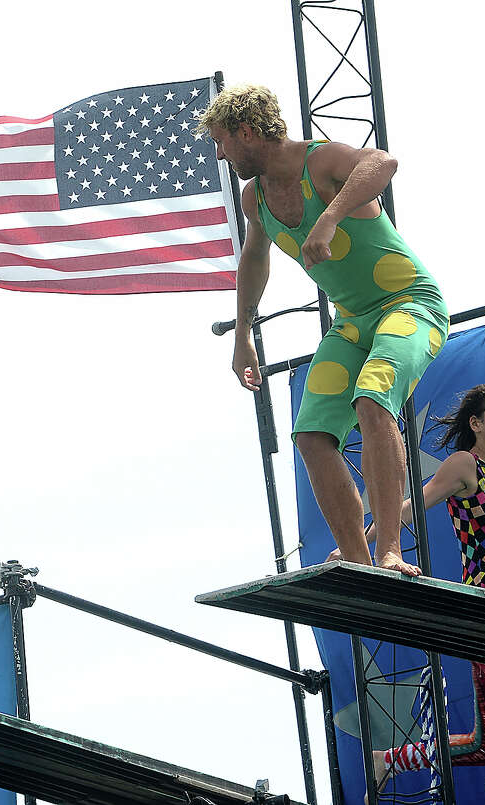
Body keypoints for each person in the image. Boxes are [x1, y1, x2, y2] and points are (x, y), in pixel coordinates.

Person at [198, 84, 448, 575]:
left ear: (247, 131)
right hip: (354, 322)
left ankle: (390, 551)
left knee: (373, 397)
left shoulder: (321, 161)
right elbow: (255, 259)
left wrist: (330, 218)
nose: (222, 155)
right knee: (312, 433)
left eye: (223, 143)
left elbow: (383, 162)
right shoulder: (256, 200)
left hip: (410, 305)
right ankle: (357, 560)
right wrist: (242, 333)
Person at [333, 384, 485, 799]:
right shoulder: (463, 465)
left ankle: (388, 761)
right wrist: (357, 546)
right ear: (475, 424)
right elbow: (410, 506)